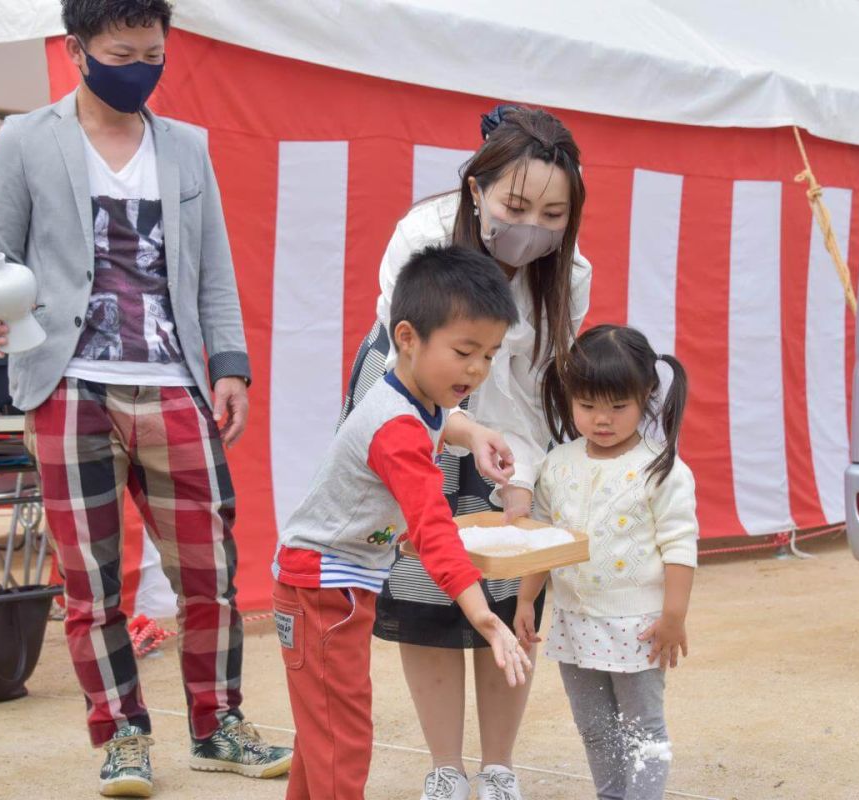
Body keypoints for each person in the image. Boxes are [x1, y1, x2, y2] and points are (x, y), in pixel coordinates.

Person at [0, 1, 291, 795]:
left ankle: (218, 725)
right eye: (123, 51)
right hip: (67, 382)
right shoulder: (24, 139)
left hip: (175, 381)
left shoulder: (185, 148)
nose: (142, 64)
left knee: (210, 574)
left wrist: (231, 365)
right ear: (77, 50)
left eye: (154, 50)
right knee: (91, 582)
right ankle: (121, 736)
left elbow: (213, 265)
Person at [338, 105, 590, 800]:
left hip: (507, 431)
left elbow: (536, 388)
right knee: (426, 588)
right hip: (412, 414)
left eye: (553, 213)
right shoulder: (421, 235)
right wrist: (458, 433)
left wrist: (521, 479)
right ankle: (445, 768)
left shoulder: (568, 276)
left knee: (512, 589)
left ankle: (500, 768)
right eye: (516, 205)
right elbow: (407, 361)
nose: (532, 227)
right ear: (477, 188)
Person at [273, 245, 533, 800]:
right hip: (324, 590)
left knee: (323, 734)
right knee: (341, 738)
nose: (477, 369)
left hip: (324, 583)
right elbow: (432, 523)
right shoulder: (397, 428)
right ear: (408, 338)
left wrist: (475, 433)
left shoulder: (416, 396)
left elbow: (438, 431)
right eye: (465, 351)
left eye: (489, 355)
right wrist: (485, 617)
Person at [515, 324, 698, 800]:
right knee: (594, 729)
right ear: (570, 397)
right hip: (574, 623)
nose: (602, 419)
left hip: (639, 627)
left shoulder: (664, 468)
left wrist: (673, 618)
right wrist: (525, 600)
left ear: (646, 397)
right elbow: (544, 539)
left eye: (618, 407)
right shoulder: (558, 464)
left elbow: (680, 547)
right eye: (587, 405)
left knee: (644, 732)